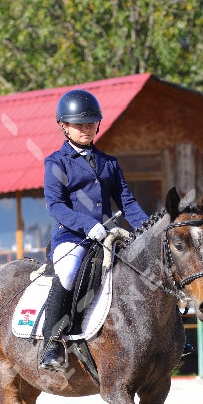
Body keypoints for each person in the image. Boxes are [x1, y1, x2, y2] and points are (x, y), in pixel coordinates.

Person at [39, 89, 149, 371]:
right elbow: (55, 206)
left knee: (150, 265)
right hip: (73, 237)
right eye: (79, 124)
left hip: (108, 237)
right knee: (69, 271)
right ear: (64, 126)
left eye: (91, 123)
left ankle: (170, 336)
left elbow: (128, 203)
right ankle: (52, 343)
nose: (86, 129)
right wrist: (89, 225)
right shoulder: (56, 162)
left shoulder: (109, 163)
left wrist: (148, 231)